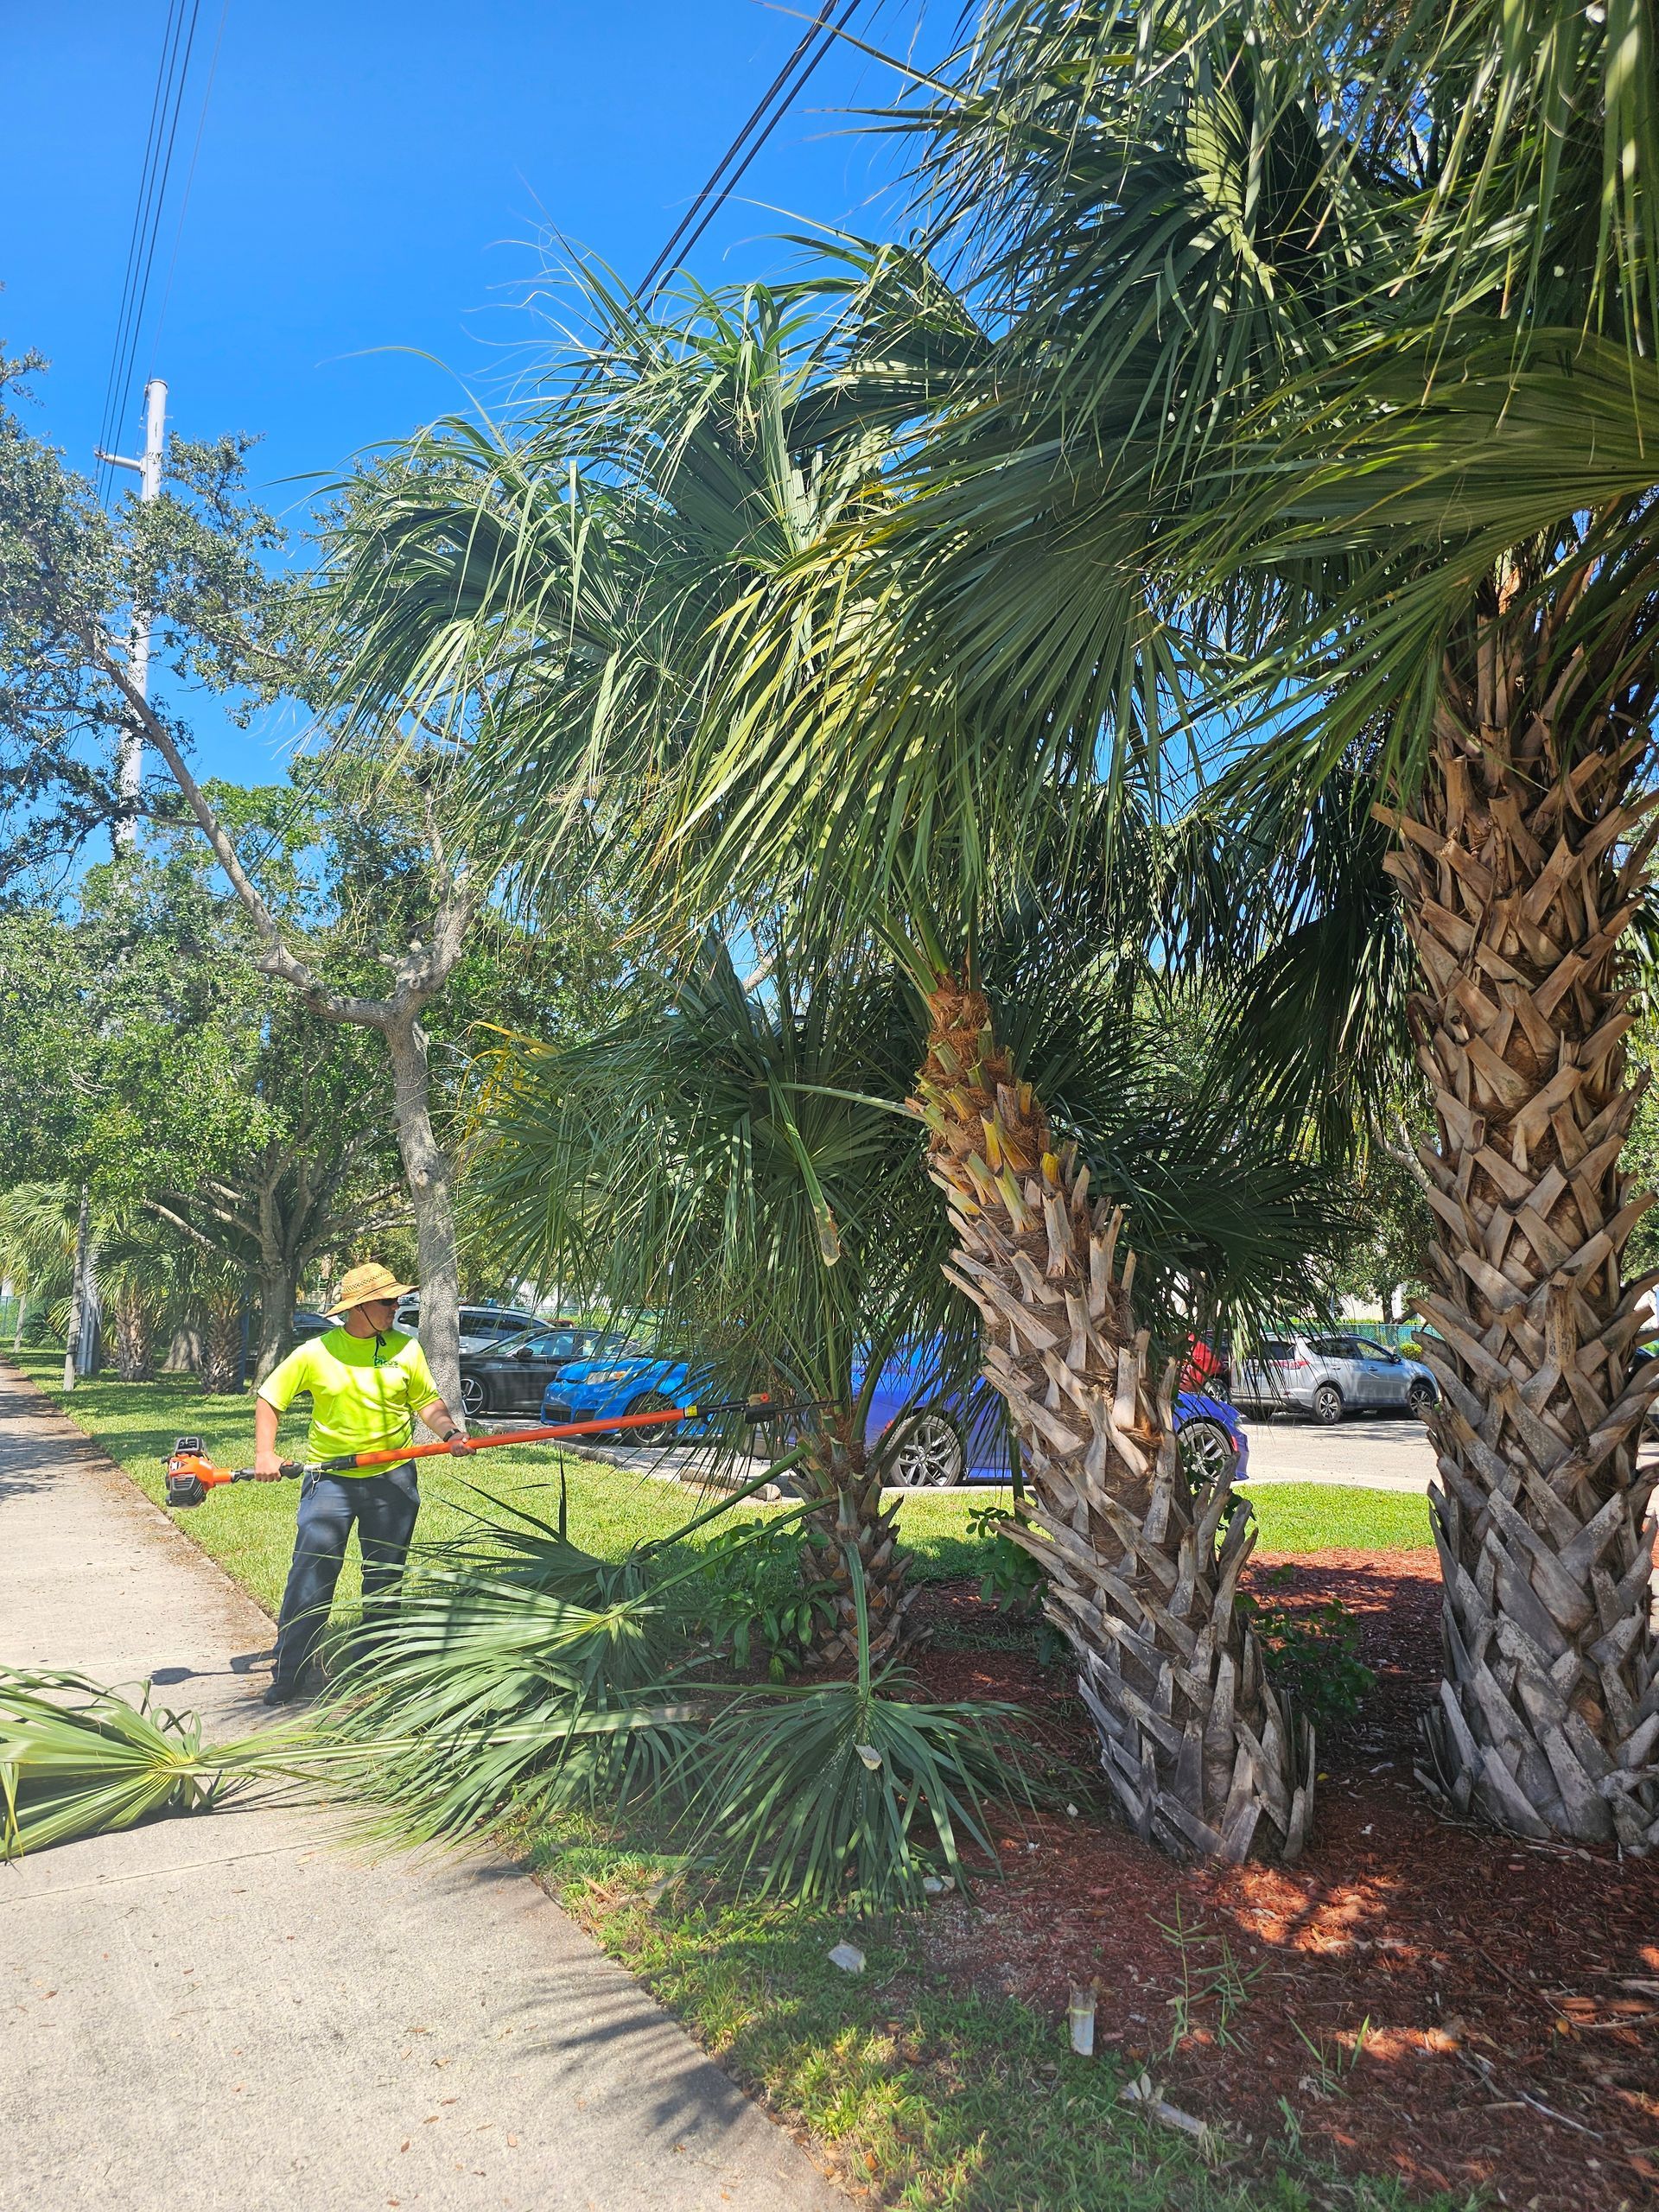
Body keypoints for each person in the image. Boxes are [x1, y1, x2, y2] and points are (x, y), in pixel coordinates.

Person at [254, 1262, 467, 1705]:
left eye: (397, 1300)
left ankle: (377, 1667)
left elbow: (426, 1401)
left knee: (386, 1579)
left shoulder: (405, 1349)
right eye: (387, 1301)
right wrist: (265, 1454)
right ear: (359, 1307)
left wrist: (449, 1434)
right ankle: (290, 1671)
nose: (395, 1307)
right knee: (311, 1577)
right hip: (329, 1480)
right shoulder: (317, 1352)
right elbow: (269, 1398)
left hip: (393, 1480)